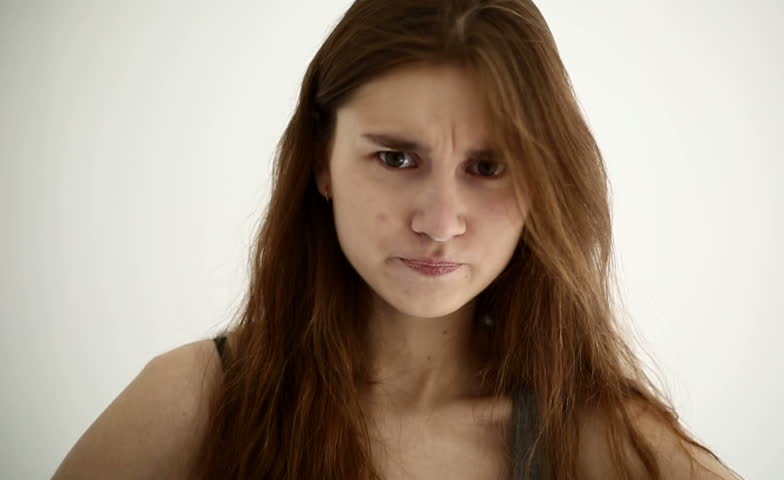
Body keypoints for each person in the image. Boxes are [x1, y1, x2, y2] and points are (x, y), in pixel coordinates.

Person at [53, 1, 743, 478]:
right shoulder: (193, 403)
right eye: (396, 158)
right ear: (321, 161)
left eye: (488, 168)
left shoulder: (596, 441)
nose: (440, 222)